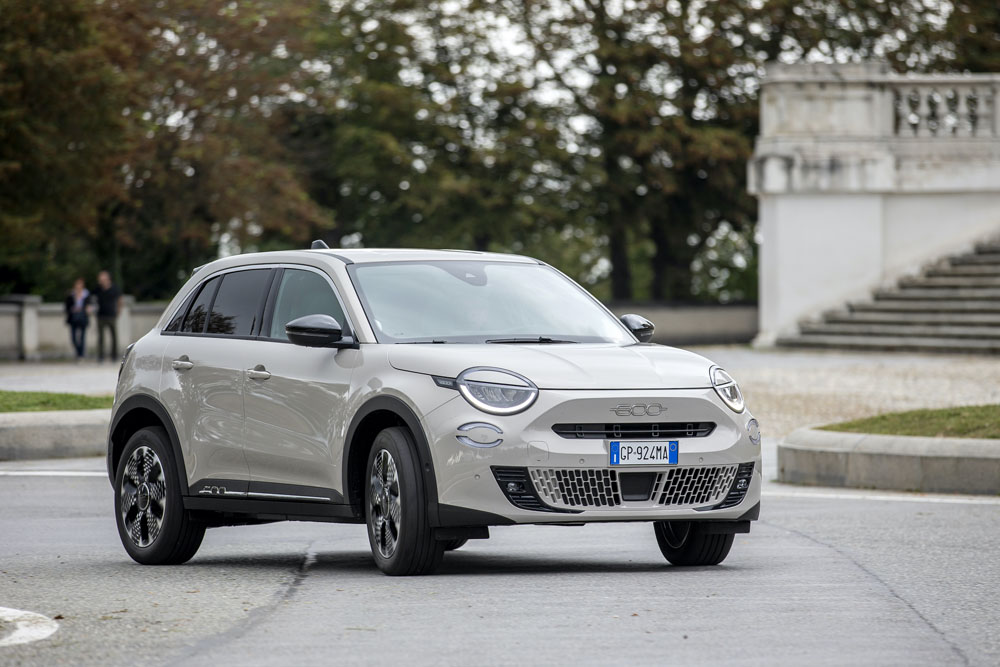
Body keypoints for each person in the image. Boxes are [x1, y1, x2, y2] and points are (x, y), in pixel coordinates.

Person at [93, 270, 122, 363]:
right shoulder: (98, 289)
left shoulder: (114, 288)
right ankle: (101, 356)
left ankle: (114, 355)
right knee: (101, 337)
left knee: (114, 336)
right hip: (100, 315)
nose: (101, 281)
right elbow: (92, 299)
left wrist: (118, 310)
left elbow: (119, 299)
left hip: (111, 315)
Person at [64, 278, 90, 361]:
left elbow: (89, 305)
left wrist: (86, 309)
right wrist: (73, 309)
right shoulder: (71, 295)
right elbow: (67, 307)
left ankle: (81, 355)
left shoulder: (86, 295)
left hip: (83, 318)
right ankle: (78, 352)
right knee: (73, 338)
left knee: (82, 337)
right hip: (73, 318)